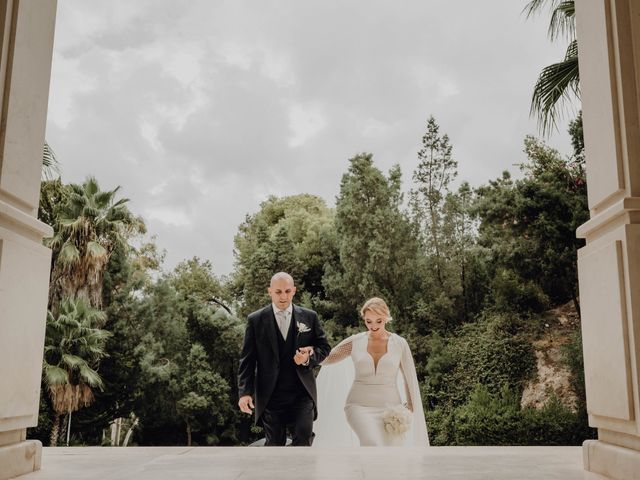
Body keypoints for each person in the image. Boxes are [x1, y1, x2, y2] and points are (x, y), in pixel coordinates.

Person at [313, 297, 429, 446]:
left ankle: (364, 470)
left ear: (386, 318)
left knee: (387, 453)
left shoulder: (400, 343)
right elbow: (327, 358)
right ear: (364, 319)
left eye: (378, 321)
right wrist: (309, 354)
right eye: (369, 321)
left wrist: (411, 406)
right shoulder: (355, 342)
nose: (373, 326)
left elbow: (408, 376)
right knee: (371, 443)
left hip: (390, 410)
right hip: (359, 406)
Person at [237, 272, 331, 446]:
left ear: (294, 291)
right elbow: (247, 360)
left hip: (302, 393)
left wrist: (307, 358)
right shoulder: (256, 320)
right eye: (278, 292)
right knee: (275, 445)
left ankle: (302, 473)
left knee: (303, 439)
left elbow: (324, 348)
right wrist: (245, 393)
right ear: (270, 292)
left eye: (287, 291)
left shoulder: (310, 317)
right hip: (271, 395)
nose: (283, 296)